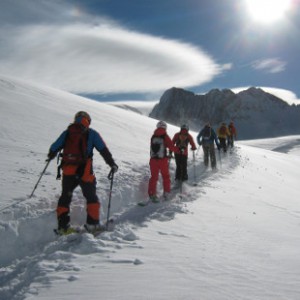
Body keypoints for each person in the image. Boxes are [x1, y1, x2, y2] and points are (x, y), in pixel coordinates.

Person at [47, 111, 118, 234]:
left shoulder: (68, 132)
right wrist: (112, 163)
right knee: (91, 197)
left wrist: (51, 155)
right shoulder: (92, 133)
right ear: (88, 121)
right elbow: (103, 149)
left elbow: (54, 147)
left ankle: (63, 227)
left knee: (65, 197)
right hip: (85, 172)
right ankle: (93, 225)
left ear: (76, 119)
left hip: (69, 170)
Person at [148, 121, 178, 202]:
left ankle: (152, 194)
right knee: (165, 176)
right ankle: (166, 193)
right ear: (165, 127)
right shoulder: (165, 136)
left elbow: (155, 149)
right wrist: (179, 150)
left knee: (154, 177)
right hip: (162, 161)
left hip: (153, 160)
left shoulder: (153, 136)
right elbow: (171, 147)